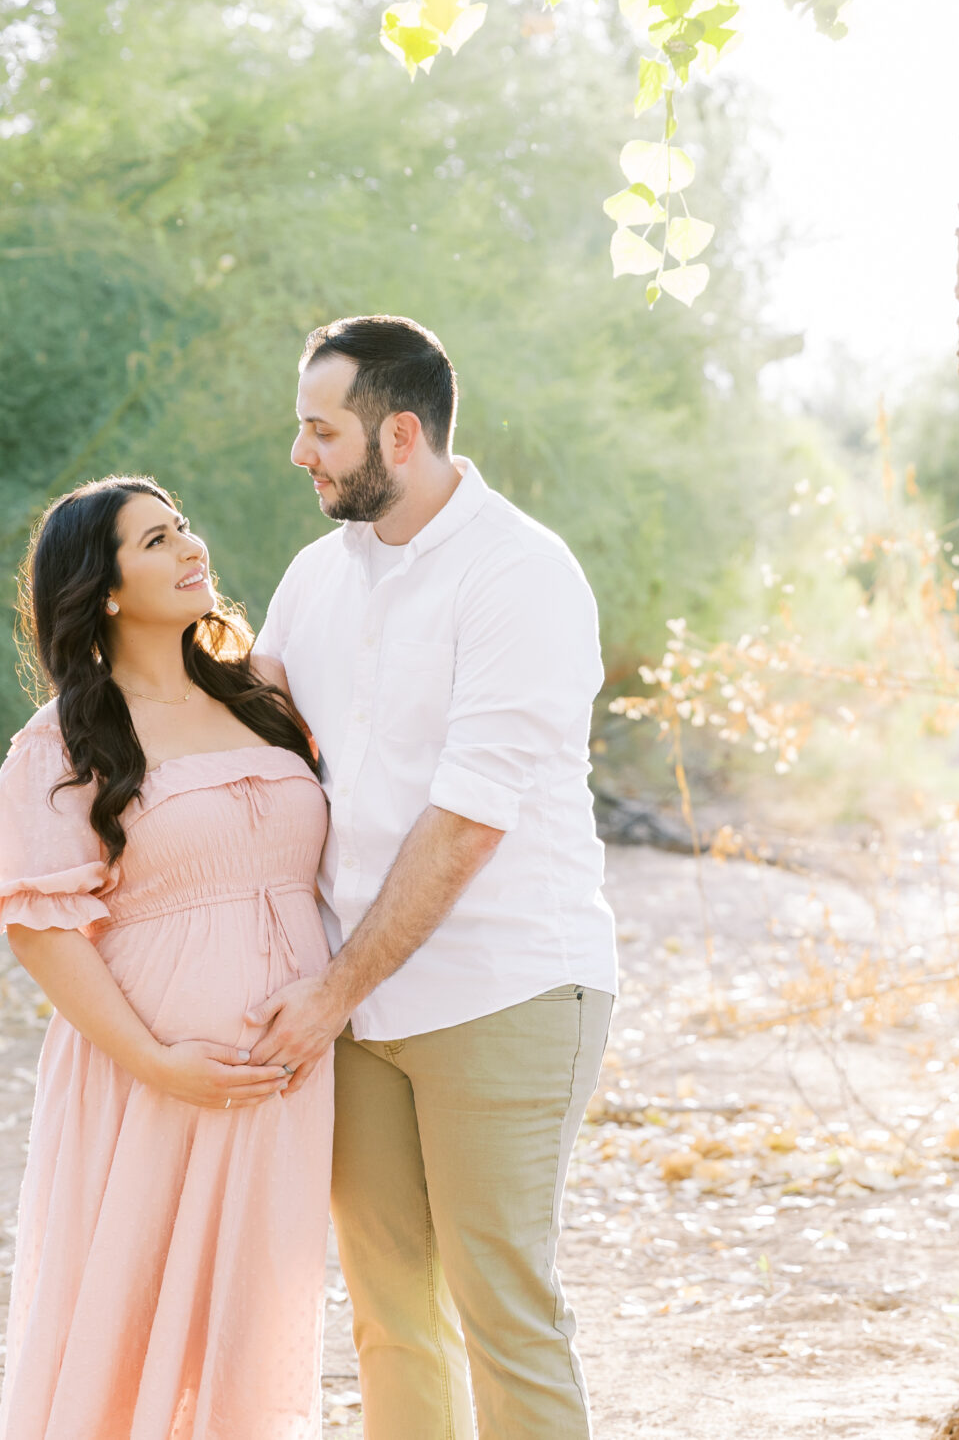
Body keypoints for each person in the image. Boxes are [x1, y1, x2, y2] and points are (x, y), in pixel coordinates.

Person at [247, 316, 620, 1438]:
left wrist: (326, 992)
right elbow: (250, 738)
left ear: (398, 434)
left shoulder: (522, 575)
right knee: (388, 1317)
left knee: (501, 1308)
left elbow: (465, 825)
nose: (301, 453)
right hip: (356, 1009)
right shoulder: (315, 576)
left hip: (503, 987)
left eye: (321, 431)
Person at [0, 475, 331, 1440]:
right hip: (151, 1074)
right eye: (157, 541)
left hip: (287, 1073)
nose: (191, 548)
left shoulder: (264, 695)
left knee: (253, 1326)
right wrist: (155, 1061)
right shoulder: (67, 737)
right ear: (107, 588)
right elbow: (41, 925)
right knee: (127, 1334)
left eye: (185, 527)